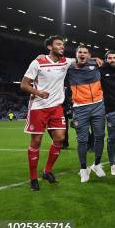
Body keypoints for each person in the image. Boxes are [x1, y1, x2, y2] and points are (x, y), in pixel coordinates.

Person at [21, 36, 72, 191]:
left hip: (56, 107)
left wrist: (95, 58)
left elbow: (83, 59)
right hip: (39, 107)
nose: (62, 47)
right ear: (50, 47)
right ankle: (33, 178)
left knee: (60, 138)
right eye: (58, 44)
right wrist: (37, 92)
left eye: (63, 44)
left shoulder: (66, 62)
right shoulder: (38, 62)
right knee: (36, 141)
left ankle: (47, 171)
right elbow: (24, 85)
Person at [66, 45, 106, 183]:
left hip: (98, 106)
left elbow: (113, 63)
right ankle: (83, 169)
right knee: (82, 140)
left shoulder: (95, 63)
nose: (82, 54)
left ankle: (97, 165)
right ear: (76, 54)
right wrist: (41, 56)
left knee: (100, 136)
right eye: (80, 52)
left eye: (85, 53)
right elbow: (55, 61)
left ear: (89, 56)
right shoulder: (69, 66)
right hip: (80, 108)